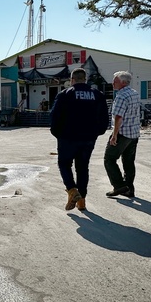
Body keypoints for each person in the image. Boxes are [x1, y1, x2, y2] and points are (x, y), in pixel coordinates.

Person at [50, 68, 110, 211]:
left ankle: (72, 191)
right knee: (82, 168)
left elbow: (54, 116)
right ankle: (81, 201)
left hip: (67, 137)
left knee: (64, 164)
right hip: (89, 138)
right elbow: (104, 117)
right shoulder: (97, 95)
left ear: (72, 80)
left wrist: (57, 133)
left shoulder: (65, 94)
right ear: (85, 79)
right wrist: (98, 132)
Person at [104, 70, 141, 197]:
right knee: (129, 162)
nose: (113, 83)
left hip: (123, 133)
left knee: (109, 159)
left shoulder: (121, 96)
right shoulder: (134, 93)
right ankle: (129, 188)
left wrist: (114, 135)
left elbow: (119, 117)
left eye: (115, 81)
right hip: (134, 133)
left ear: (123, 83)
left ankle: (119, 186)